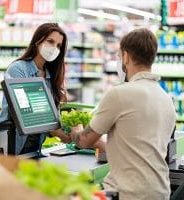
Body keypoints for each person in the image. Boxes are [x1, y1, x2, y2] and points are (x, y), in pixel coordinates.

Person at [70, 28, 176, 200]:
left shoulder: (120, 93)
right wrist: (102, 143)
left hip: (126, 194)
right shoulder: (166, 99)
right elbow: (139, 147)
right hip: (160, 192)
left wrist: (75, 131)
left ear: (126, 57)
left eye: (119, 57)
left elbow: (83, 140)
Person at [0, 23, 71, 156]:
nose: (54, 48)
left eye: (59, 46)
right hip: (10, 145)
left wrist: (68, 131)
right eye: (50, 41)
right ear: (38, 41)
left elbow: (53, 115)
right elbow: (26, 112)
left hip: (34, 149)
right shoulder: (18, 69)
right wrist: (54, 130)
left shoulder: (51, 76)